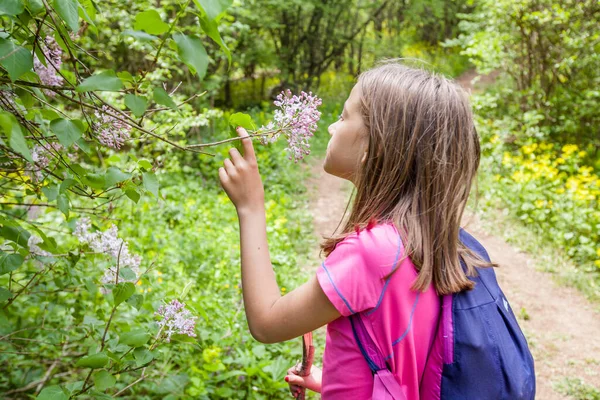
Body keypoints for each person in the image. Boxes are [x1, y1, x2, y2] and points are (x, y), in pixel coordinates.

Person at [218, 59, 498, 399]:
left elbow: (266, 322)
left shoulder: (373, 254)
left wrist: (251, 207)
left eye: (344, 116)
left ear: (372, 146)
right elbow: (411, 366)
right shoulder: (433, 239)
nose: (333, 128)